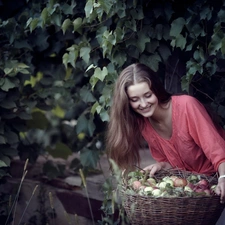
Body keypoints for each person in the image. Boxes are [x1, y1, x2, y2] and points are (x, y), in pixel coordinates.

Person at [106, 62, 225, 204]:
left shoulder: (187, 106)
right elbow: (178, 167)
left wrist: (223, 178)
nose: (143, 104)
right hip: (192, 191)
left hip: (217, 181)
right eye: (135, 99)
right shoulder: (143, 123)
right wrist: (162, 165)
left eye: (147, 95)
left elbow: (218, 151)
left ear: (156, 90)